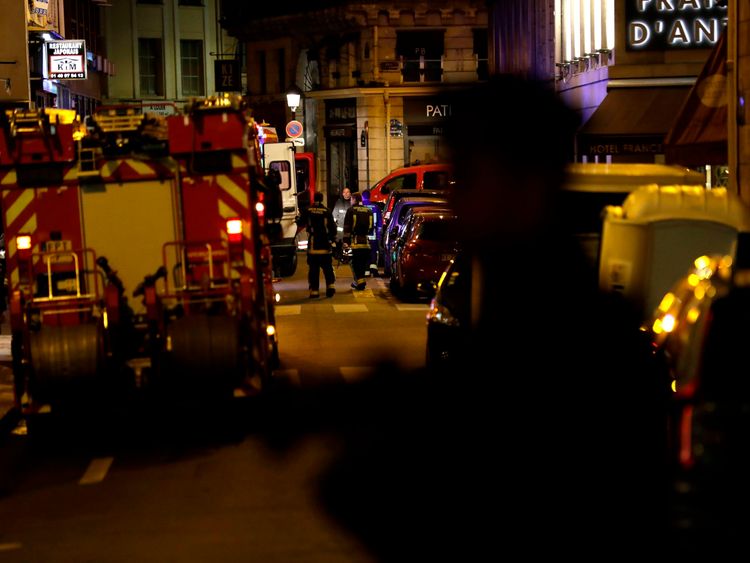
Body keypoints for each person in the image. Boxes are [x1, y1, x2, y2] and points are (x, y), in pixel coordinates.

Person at [302, 191, 337, 298]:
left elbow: (301, 222)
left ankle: (314, 290)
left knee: (313, 268)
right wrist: (332, 239)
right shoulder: (327, 211)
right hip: (325, 243)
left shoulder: (308, 210)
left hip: (313, 244)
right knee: (327, 267)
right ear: (322, 199)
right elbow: (332, 228)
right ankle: (330, 286)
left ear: (314, 198)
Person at [342, 191, 373, 291]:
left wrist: (345, 241)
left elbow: (347, 227)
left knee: (355, 263)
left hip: (355, 242)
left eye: (351, 199)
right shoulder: (368, 211)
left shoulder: (351, 210)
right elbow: (371, 227)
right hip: (366, 242)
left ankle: (360, 283)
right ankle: (360, 281)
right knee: (363, 263)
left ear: (354, 199)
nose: (350, 201)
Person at [360, 189, 382, 276]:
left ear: (362, 197)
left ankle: (366, 271)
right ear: (370, 196)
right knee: (373, 252)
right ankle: (374, 270)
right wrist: (379, 234)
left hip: (363, 235)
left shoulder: (361, 207)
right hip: (373, 234)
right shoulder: (375, 207)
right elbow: (380, 222)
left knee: (365, 252)